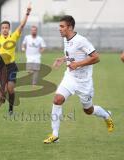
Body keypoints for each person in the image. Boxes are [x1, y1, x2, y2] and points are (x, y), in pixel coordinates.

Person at [43, 15, 114, 144]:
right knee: (57, 99)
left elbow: (96, 57)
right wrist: (63, 59)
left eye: (62, 26)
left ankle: (106, 115)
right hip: (70, 77)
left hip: (84, 82)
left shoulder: (81, 40)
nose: (59, 29)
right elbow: (72, 55)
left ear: (70, 27)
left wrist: (78, 64)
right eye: (59, 26)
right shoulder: (66, 39)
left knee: (88, 110)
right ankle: (55, 134)